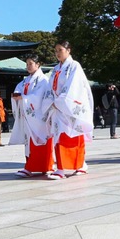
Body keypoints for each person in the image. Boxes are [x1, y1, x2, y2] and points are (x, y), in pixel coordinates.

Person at [44, 40, 95, 176]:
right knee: (60, 136)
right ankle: (61, 168)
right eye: (56, 51)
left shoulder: (74, 66)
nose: (57, 53)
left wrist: (59, 101)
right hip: (58, 108)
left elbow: (73, 87)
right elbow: (50, 87)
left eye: (60, 50)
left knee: (75, 136)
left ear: (68, 50)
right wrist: (51, 100)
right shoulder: (56, 69)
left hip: (70, 107)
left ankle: (79, 165)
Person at [10, 55, 57, 178]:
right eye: (27, 64)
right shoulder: (25, 81)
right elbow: (18, 90)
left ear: (38, 64)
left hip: (41, 116)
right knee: (29, 142)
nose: (28, 66)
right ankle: (30, 167)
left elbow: (39, 97)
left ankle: (47, 166)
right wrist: (16, 96)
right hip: (28, 116)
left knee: (43, 140)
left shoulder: (43, 80)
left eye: (31, 64)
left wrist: (24, 98)